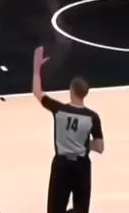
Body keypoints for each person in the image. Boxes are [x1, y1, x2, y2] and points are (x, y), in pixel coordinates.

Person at [32, 46, 104, 213]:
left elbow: (37, 92)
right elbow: (99, 147)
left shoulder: (59, 110)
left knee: (55, 209)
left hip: (61, 165)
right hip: (81, 167)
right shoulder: (93, 117)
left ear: (71, 91)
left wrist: (37, 70)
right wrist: (83, 142)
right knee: (81, 208)